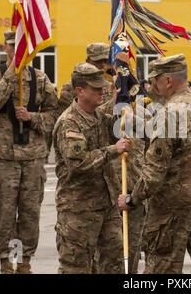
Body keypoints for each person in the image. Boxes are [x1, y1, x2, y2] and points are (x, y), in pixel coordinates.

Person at [118, 54, 191, 274]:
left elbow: (154, 170)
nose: (152, 85)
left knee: (163, 263)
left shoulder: (168, 112)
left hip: (176, 201)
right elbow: (187, 139)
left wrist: (132, 199)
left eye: (155, 79)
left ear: (168, 80)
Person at [0, 31, 59, 274]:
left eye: (23, 46)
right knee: (5, 215)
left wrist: (32, 117)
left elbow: (54, 117)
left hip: (32, 158)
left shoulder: (41, 79)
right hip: (4, 158)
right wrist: (13, 72)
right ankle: (7, 262)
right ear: (5, 47)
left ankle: (23, 263)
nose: (18, 50)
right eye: (14, 46)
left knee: (29, 214)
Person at [53, 62, 131, 274]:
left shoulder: (98, 116)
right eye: (96, 88)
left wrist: (120, 103)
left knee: (112, 264)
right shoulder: (69, 122)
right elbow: (79, 164)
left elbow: (116, 130)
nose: (102, 91)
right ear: (80, 91)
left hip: (106, 205)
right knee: (76, 267)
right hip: (78, 209)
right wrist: (113, 150)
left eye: (102, 87)